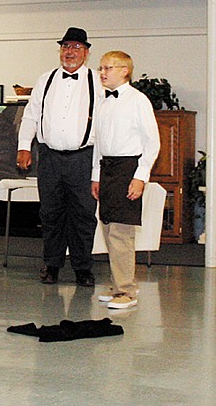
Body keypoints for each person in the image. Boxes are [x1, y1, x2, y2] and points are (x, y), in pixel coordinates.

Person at [17, 27, 102, 286]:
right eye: (66, 46)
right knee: (50, 213)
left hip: (84, 159)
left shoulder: (98, 81)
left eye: (76, 47)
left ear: (86, 53)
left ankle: (83, 268)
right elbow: (31, 115)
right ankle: (51, 264)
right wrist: (23, 146)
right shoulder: (46, 80)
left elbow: (104, 123)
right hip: (49, 158)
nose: (70, 52)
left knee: (84, 215)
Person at [91, 51, 160, 309]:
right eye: (101, 67)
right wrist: (95, 177)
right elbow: (98, 143)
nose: (103, 72)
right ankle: (119, 284)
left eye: (108, 67)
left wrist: (140, 177)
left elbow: (152, 143)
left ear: (125, 71)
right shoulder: (103, 101)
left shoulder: (138, 100)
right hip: (107, 167)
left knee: (122, 231)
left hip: (127, 167)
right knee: (109, 227)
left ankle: (127, 291)